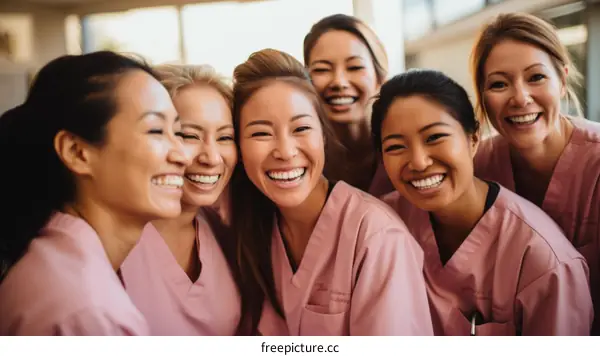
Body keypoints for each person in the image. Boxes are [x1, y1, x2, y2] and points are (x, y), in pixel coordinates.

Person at [371, 68, 593, 335]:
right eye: (396, 147)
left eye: (435, 137)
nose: (418, 162)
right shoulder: (377, 225)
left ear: (473, 138)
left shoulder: (545, 262)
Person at [229, 48, 433, 336]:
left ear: (323, 135)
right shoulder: (250, 227)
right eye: (261, 133)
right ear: (237, 145)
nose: (285, 151)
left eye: (301, 128)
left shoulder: (376, 238)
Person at [0, 51, 189, 335]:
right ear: (77, 152)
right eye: (155, 130)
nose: (183, 155)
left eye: (178, 131)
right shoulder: (90, 314)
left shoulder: (49, 256)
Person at [470, 12, 600, 334]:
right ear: (483, 98)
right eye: (499, 84)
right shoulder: (477, 167)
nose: (520, 97)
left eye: (536, 77)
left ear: (563, 79)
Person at [120, 64, 241, 335]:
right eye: (189, 135)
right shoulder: (115, 239)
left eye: (225, 137)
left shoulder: (223, 232)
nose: (211, 157)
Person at [303, 14, 393, 196]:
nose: (339, 82)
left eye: (355, 67)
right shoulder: (300, 158)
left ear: (380, 77)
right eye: (322, 69)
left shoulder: (406, 147)